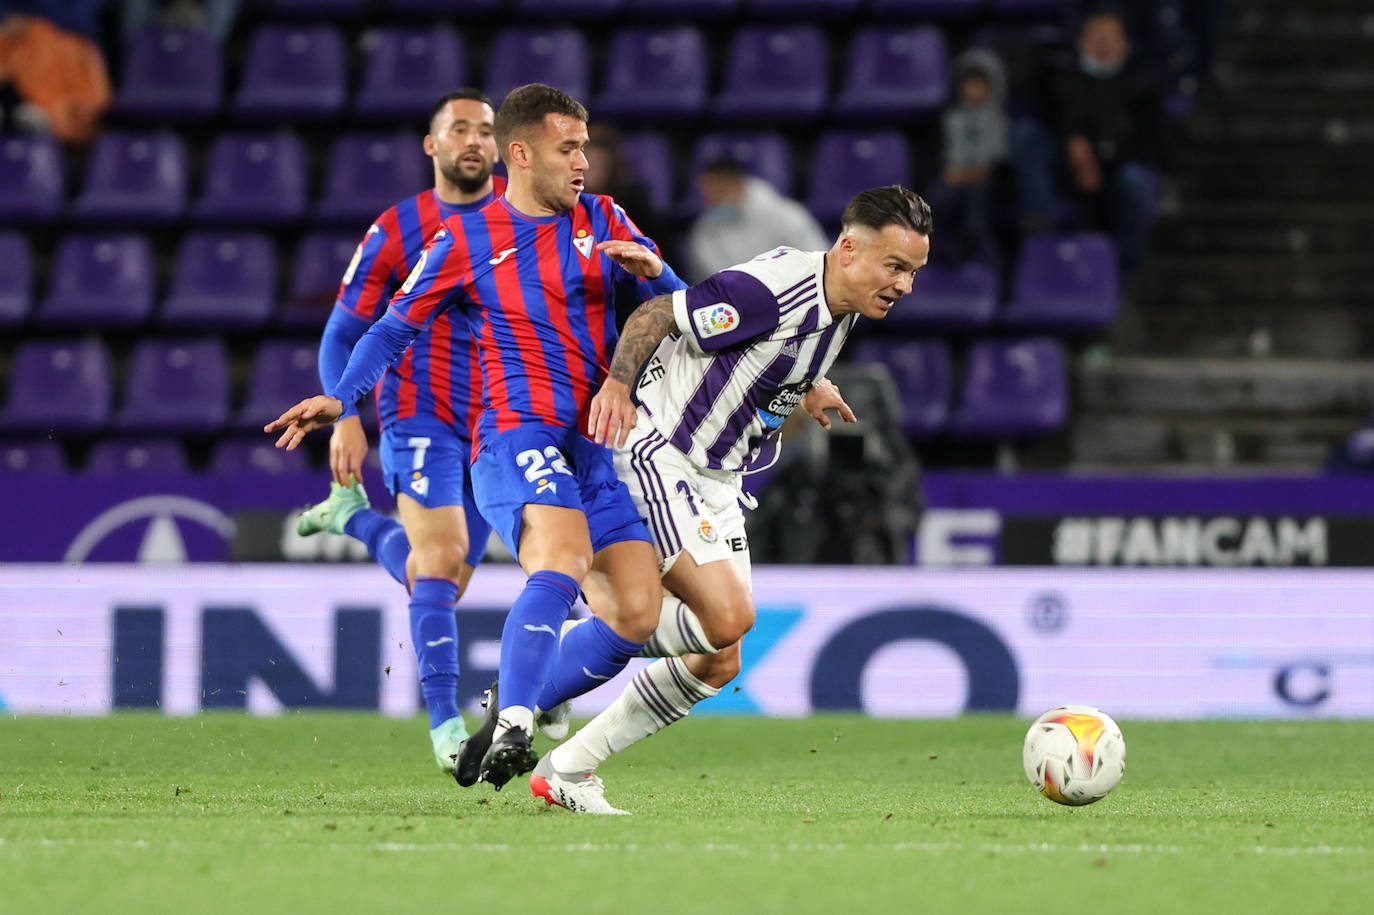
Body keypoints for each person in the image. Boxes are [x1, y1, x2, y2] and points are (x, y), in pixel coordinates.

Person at [265, 83, 688, 791]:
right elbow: (392, 327)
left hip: (591, 447)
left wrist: (661, 275)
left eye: (585, 146)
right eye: (569, 147)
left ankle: (512, 699)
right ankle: (517, 717)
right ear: (521, 155)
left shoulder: (606, 216)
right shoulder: (459, 240)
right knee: (554, 555)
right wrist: (342, 401)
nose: (585, 161)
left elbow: (677, 310)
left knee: (636, 615)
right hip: (513, 435)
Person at [530, 185, 933, 814]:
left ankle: (568, 767)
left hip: (719, 479)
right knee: (726, 616)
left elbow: (775, 350)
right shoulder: (774, 287)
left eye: (913, 272)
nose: (905, 286)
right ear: (850, 248)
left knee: (718, 659)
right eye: (897, 267)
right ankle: (548, 669)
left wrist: (812, 386)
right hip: (662, 451)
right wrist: (615, 386)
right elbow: (658, 314)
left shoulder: (847, 302)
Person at [293, 88, 506, 774]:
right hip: (422, 416)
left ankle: (355, 520)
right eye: (459, 129)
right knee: (439, 565)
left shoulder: (527, 216)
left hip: (505, 421)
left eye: (486, 130)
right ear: (432, 145)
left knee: (435, 577)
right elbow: (343, 332)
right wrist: (346, 413)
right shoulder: (397, 228)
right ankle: (447, 725)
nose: (473, 140)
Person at [923, 48, 1008, 266]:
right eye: (968, 84)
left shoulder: (998, 121)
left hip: (983, 182)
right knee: (934, 201)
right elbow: (943, 157)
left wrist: (971, 173)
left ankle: (977, 256)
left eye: (979, 84)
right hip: (953, 178)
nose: (973, 90)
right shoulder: (950, 119)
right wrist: (951, 173)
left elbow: (995, 160)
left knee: (977, 208)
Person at [686, 157, 829, 282]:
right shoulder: (703, 234)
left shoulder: (787, 217)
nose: (713, 201)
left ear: (738, 185)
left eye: (719, 192)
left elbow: (820, 265)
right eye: (708, 195)